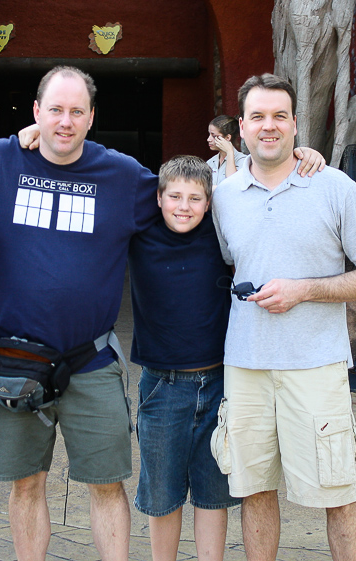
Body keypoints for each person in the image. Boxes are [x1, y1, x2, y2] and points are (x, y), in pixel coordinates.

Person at [0, 66, 325, 560]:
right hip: (17, 362)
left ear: (92, 117)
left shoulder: (122, 175)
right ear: (36, 112)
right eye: (54, 110)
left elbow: (193, 199)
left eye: (76, 111)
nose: (65, 121)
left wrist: (291, 158)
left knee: (107, 485)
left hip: (91, 362)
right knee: (26, 487)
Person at [212, 73, 356, 561]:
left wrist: (304, 290)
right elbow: (234, 262)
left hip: (314, 366)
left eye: (279, 116)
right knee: (254, 492)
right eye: (257, 117)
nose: (268, 126)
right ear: (241, 129)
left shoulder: (334, 187)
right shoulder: (225, 196)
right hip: (246, 365)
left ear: (295, 124)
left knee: (338, 494)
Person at [128, 155, 240, 561]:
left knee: (214, 494)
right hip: (162, 385)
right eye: (174, 196)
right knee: (162, 495)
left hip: (220, 385)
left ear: (209, 203)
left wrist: (304, 155)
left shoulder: (221, 235)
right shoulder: (140, 234)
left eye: (195, 198)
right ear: (158, 198)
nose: (183, 206)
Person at [206, 114, 245, 187]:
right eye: (209, 135)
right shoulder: (210, 162)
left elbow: (233, 184)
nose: (208, 139)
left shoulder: (243, 161)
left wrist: (230, 152)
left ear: (227, 137)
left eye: (214, 136)